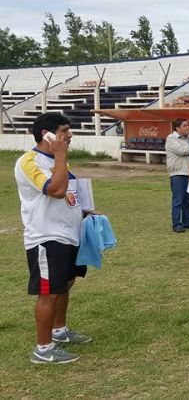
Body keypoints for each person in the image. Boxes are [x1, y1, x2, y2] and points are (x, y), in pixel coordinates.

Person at [16, 113, 92, 364]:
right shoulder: (30, 161)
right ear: (46, 135)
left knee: (66, 282)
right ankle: (43, 349)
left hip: (68, 234)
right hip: (46, 236)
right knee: (48, 291)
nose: (70, 136)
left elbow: (69, 194)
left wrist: (86, 212)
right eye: (64, 131)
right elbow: (56, 191)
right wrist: (60, 156)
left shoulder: (59, 162)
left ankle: (59, 331)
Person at [166, 118, 189, 233]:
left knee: (188, 199)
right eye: (184, 125)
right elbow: (182, 151)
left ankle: (187, 221)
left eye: (188, 125)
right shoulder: (171, 138)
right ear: (177, 128)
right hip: (178, 172)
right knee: (178, 199)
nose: (187, 127)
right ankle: (176, 224)